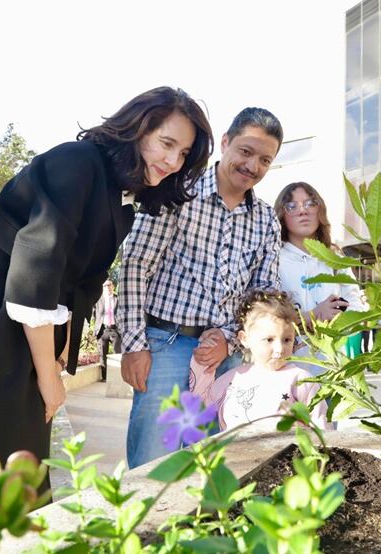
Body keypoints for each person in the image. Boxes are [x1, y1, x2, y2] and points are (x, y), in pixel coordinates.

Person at [0, 86, 213, 529]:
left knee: (8, 488)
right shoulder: (76, 165)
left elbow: (76, 284)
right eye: (166, 143)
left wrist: (56, 356)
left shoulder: (121, 196)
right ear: (136, 129)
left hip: (15, 335)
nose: (172, 161)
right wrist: (50, 375)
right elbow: (35, 271)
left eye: (183, 153)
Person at [118, 107, 284, 468]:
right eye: (245, 151)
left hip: (228, 358)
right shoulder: (177, 192)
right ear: (225, 142)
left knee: (217, 468)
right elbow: (136, 264)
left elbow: (264, 292)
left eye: (265, 160)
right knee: (154, 465)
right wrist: (133, 345)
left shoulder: (267, 218)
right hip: (165, 347)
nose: (253, 165)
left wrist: (230, 337)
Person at [273, 182, 365, 374]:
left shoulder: (335, 259)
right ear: (282, 215)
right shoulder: (273, 260)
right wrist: (311, 316)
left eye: (310, 204)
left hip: (332, 367)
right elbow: (266, 318)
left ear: (320, 209)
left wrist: (338, 315)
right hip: (287, 370)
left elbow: (355, 306)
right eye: (292, 206)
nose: (302, 211)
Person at [202, 289, 327, 432]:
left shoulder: (301, 381)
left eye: (287, 340)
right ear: (245, 339)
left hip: (287, 453)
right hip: (237, 453)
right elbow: (200, 412)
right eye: (269, 339)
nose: (279, 349)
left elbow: (321, 430)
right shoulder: (231, 381)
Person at [94, 279, 120, 381]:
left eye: (109, 285)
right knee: (102, 354)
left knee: (117, 353)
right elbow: (94, 313)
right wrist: (96, 328)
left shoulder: (118, 298)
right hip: (103, 329)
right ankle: (105, 377)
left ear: (113, 286)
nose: (107, 287)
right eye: (105, 285)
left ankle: (116, 377)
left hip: (115, 329)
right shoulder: (99, 300)